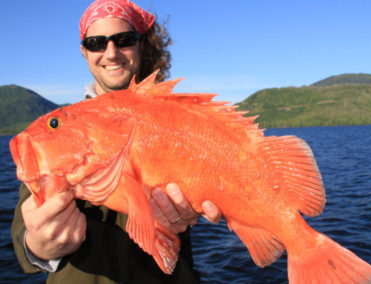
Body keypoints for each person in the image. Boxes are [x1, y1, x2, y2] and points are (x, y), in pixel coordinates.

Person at [11, 1, 222, 283]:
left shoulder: (177, 118)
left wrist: (182, 217)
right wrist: (37, 246)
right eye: (97, 42)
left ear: (141, 45)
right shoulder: (61, 140)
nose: (111, 52)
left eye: (124, 40)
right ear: (84, 51)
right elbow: (24, 238)